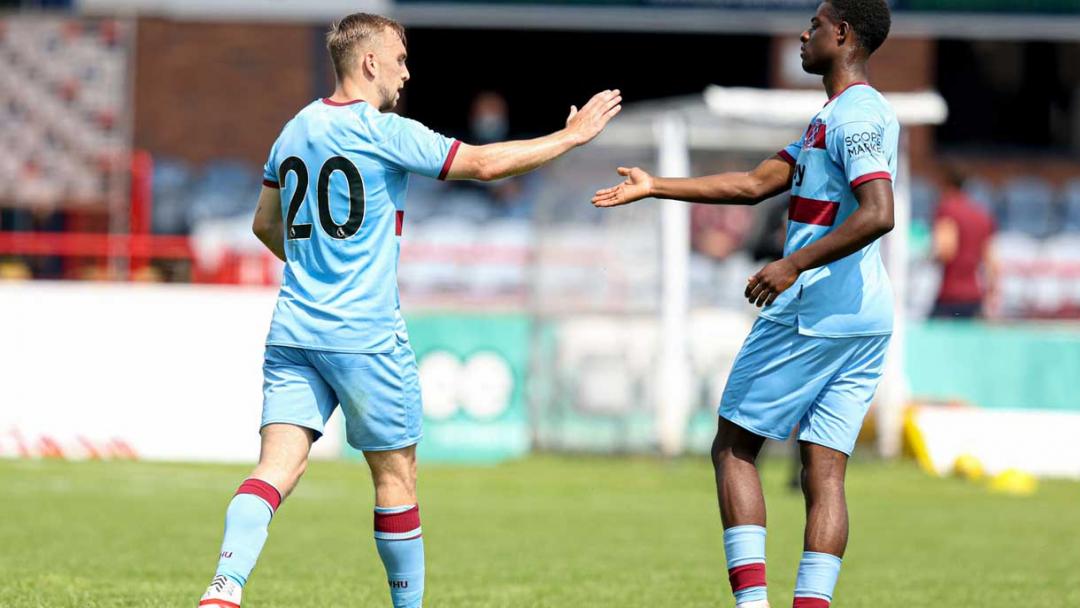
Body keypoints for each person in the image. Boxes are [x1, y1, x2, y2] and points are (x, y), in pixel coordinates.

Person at [197, 13, 621, 608]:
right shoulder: (382, 130)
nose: (407, 72)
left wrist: (318, 264)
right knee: (395, 478)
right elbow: (484, 164)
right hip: (365, 333)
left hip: (295, 327)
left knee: (275, 469)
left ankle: (223, 589)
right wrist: (571, 137)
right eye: (399, 59)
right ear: (369, 63)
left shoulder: (293, 130)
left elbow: (264, 225)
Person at [592, 2, 895, 606]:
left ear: (843, 34)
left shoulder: (856, 115)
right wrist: (656, 186)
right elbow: (757, 183)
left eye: (815, 24)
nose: (804, 34)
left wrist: (792, 264)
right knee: (824, 470)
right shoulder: (828, 118)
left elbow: (879, 213)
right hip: (865, 317)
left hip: (815, 309)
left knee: (733, 447)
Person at [930, 167, 998, 319]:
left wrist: (928, 257)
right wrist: (992, 293)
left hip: (950, 295)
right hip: (974, 296)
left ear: (946, 185)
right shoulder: (982, 214)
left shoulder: (947, 209)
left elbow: (946, 250)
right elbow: (991, 262)